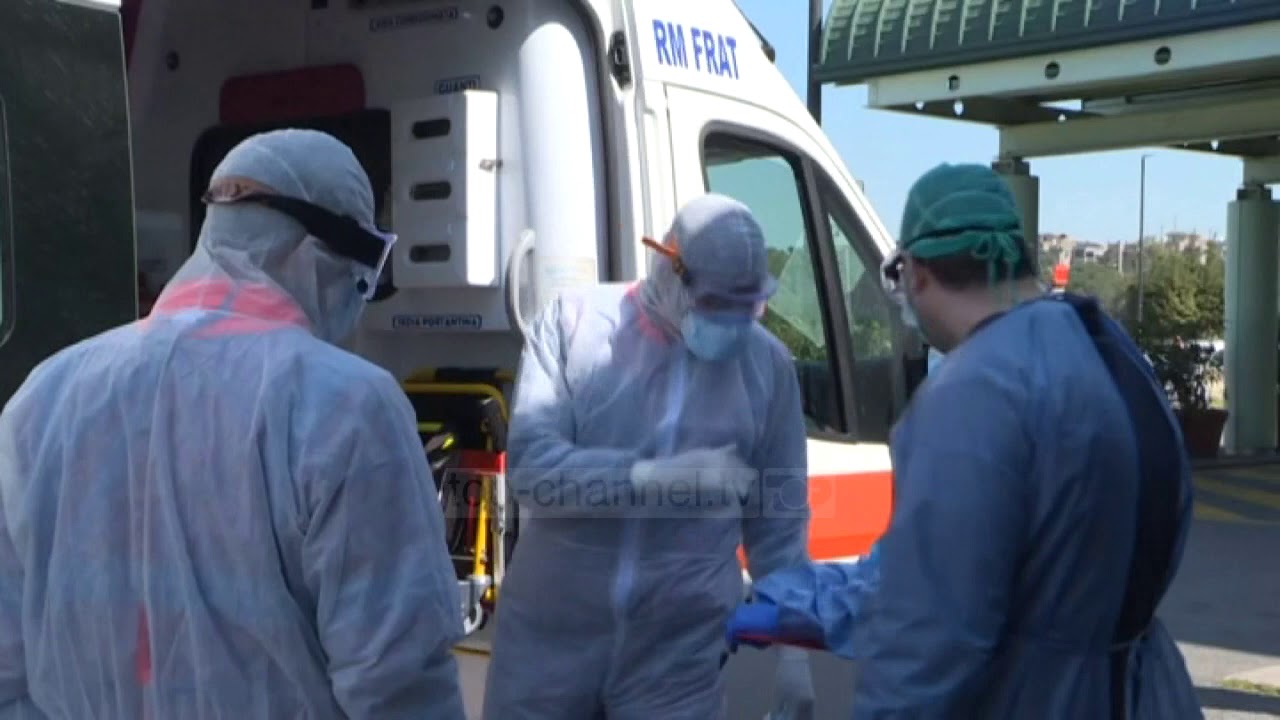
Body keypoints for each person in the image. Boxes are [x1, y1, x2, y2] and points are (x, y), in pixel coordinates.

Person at [0, 129, 467, 719]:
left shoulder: (44, 397)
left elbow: (8, 666)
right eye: (360, 272)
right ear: (314, 256)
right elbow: (397, 679)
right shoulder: (346, 405)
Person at [727, 163, 1202, 719]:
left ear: (915, 273)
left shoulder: (973, 390)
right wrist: (788, 602)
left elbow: (926, 635)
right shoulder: (1108, 347)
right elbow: (971, 572)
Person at [483, 193, 815, 719]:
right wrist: (652, 478)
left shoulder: (766, 367)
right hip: (551, 643)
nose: (733, 323)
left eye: (747, 305)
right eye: (717, 304)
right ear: (669, 268)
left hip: (678, 657)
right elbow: (533, 470)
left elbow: (779, 524)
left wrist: (794, 646)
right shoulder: (576, 325)